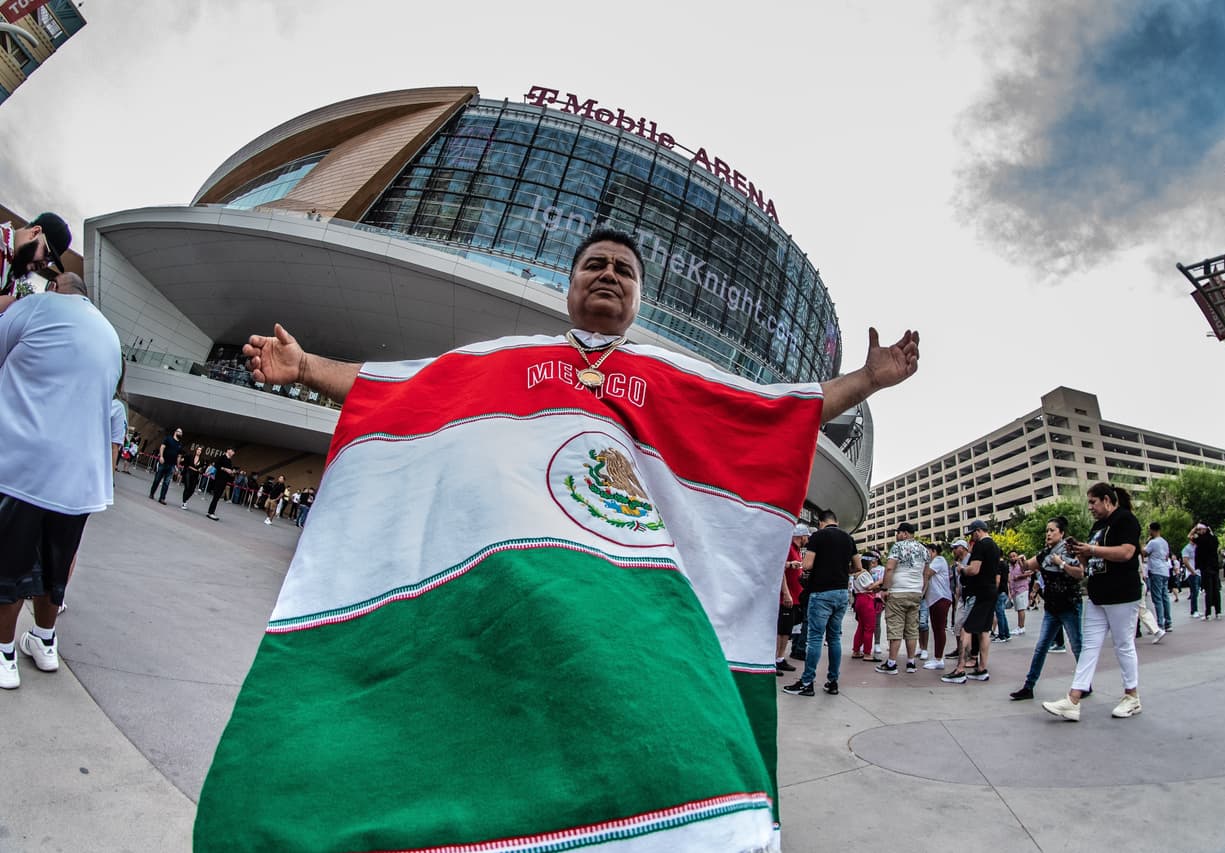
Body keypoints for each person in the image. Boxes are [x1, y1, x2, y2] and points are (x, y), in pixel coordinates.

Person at [194, 229, 920, 851]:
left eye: (624, 271)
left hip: (631, 592)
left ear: (639, 300)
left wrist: (868, 379)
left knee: (682, 750)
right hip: (515, 588)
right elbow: (400, 388)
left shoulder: (666, 376)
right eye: (594, 265)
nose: (608, 275)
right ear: (568, 284)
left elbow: (768, 410)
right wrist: (306, 367)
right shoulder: (505, 360)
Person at [0, 283, 121, 690]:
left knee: (11, 567)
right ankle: (45, 641)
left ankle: (3, 653)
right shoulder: (110, 335)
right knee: (55, 568)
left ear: (55, 288)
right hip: (80, 480)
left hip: (25, 467)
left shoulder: (35, 307)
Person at [1043, 483, 1143, 722]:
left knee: (1123, 644)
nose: (1090, 508)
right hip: (1098, 595)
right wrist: (1081, 553)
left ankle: (1132, 696)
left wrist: (1092, 549)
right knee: (1089, 647)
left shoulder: (1125, 520)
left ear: (1107, 500)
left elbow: (1127, 552)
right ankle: (1073, 699)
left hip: (1122, 594)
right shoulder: (1098, 526)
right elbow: (1088, 565)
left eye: (1093, 502)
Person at [1009, 517, 1086, 701]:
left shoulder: (1068, 551)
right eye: (1047, 530)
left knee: (1077, 646)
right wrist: (1021, 561)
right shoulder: (1045, 553)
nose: (1048, 533)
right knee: (1041, 647)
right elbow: (1029, 565)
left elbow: (1080, 573)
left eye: (1052, 530)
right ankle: (1029, 686)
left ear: (1061, 533)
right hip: (1052, 608)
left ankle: (1085, 683)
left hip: (1069, 605)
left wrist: (1061, 563)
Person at [784, 510, 856, 696]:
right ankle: (833, 681)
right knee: (834, 638)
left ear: (821, 522)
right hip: (841, 593)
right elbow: (858, 567)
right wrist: (840, 570)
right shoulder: (848, 538)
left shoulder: (818, 536)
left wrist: (805, 565)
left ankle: (807, 682)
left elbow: (807, 565)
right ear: (836, 521)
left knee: (815, 638)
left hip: (821, 592)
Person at [942, 520, 1000, 684]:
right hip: (991, 591)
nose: (971, 539)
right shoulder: (995, 547)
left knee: (966, 629)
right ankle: (982, 668)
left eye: (972, 534)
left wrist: (962, 569)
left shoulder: (981, 546)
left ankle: (960, 669)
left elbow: (974, 569)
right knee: (984, 631)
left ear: (978, 531)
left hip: (979, 593)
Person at [875, 521, 928, 675]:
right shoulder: (923, 549)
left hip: (898, 592)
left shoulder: (898, 547)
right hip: (915, 592)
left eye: (898, 533)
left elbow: (890, 567)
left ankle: (891, 663)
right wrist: (921, 590)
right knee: (912, 629)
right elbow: (926, 573)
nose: (897, 536)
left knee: (895, 628)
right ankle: (911, 662)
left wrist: (885, 588)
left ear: (905, 533)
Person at [0, 212, 71, 302]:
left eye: (50, 262)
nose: (44, 265)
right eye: (47, 254)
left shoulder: (13, 273)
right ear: (35, 232)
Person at [775, 524, 807, 675]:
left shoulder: (797, 551)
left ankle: (780, 658)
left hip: (795, 597)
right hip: (786, 598)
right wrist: (786, 593)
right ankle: (774, 659)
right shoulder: (787, 548)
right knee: (780, 630)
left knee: (786, 631)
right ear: (800, 536)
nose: (807, 539)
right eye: (806, 536)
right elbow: (779, 568)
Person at [922, 542, 951, 669]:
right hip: (935, 599)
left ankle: (939, 659)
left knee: (939, 629)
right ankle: (937, 657)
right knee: (936, 628)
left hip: (941, 598)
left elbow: (927, 573)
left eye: (926, 552)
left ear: (933, 551)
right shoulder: (936, 561)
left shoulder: (939, 560)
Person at [1193, 523, 1222, 620]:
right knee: (1216, 590)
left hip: (1205, 567)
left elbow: (1189, 536)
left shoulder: (1200, 540)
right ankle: (1218, 612)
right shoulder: (1214, 539)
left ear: (1203, 530)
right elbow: (1215, 539)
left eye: (1200, 529)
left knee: (1208, 591)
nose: (1199, 531)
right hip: (1214, 566)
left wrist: (1194, 529)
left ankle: (1208, 613)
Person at [149, 427, 183, 505]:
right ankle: (152, 493)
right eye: (179, 432)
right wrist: (161, 456)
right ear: (175, 432)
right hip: (163, 462)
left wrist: (177, 467)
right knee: (157, 479)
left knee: (166, 482)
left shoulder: (180, 444)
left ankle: (162, 498)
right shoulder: (168, 439)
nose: (180, 434)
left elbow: (179, 456)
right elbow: (162, 447)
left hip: (171, 465)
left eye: (181, 433)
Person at [204, 450, 238, 521]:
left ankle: (211, 512)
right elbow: (217, 466)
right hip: (219, 480)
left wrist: (231, 472)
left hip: (224, 481)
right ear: (228, 450)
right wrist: (226, 469)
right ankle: (210, 512)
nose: (233, 453)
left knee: (217, 497)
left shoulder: (229, 461)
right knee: (216, 496)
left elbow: (229, 471)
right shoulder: (221, 457)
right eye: (232, 451)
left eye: (234, 452)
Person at [1007, 551, 1030, 636]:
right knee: (1018, 609)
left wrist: (1019, 577)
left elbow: (1028, 572)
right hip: (1014, 590)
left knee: (1021, 609)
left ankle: (1021, 627)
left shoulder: (1020, 564)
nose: (1012, 558)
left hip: (1022, 588)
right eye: (1011, 557)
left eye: (1014, 556)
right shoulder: (1010, 567)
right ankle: (1019, 626)